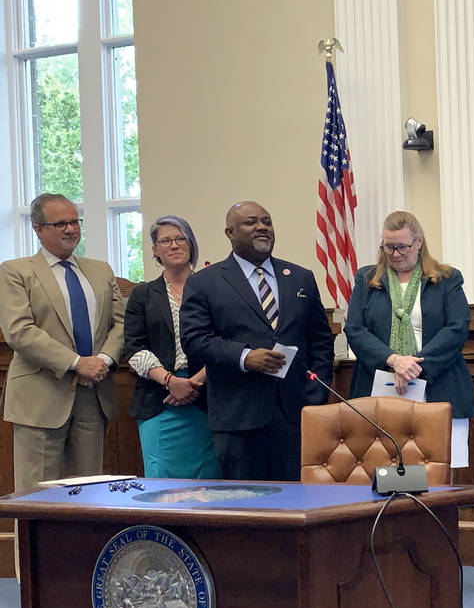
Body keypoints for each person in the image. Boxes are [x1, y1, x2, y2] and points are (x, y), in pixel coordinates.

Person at [180, 201, 333, 481]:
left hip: (295, 414)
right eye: (251, 222)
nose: (261, 227)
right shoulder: (205, 282)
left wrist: (315, 395)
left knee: (298, 503)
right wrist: (244, 357)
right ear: (229, 232)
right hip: (238, 416)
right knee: (247, 506)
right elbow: (195, 340)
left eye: (267, 221)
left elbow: (320, 339)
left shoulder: (300, 277)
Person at [0, 193, 125, 492]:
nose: (70, 229)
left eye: (74, 221)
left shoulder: (101, 270)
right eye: (60, 224)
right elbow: (19, 331)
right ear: (38, 229)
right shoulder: (16, 271)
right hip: (41, 396)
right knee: (37, 495)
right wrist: (76, 363)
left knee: (87, 491)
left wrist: (102, 361)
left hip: (93, 395)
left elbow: (121, 324)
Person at [344, 210, 474, 468]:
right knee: (382, 470)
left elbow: (457, 327)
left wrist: (414, 366)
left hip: (439, 385)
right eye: (388, 247)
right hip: (380, 384)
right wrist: (394, 360)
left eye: (402, 247)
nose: (395, 254)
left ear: (419, 243)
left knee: (438, 474)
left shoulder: (447, 278)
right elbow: (355, 330)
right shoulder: (366, 279)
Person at [125, 216, 219, 479]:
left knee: (209, 486)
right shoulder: (142, 294)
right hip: (159, 401)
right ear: (155, 249)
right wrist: (170, 381)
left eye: (180, 238)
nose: (174, 245)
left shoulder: (215, 289)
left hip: (207, 399)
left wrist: (195, 383)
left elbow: (224, 343)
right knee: (163, 486)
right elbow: (134, 348)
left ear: (191, 244)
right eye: (165, 240)